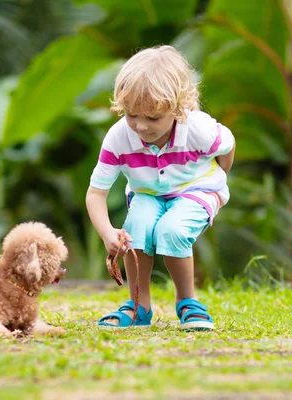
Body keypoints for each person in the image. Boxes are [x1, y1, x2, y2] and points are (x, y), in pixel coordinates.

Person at [85, 45, 235, 331]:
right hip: (147, 194)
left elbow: (227, 147)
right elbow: (96, 193)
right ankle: (138, 306)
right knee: (136, 228)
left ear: (179, 109)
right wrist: (107, 233)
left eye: (152, 118)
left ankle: (188, 302)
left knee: (172, 230)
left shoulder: (198, 129)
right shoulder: (119, 137)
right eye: (131, 114)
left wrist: (217, 182)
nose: (140, 126)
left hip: (197, 190)